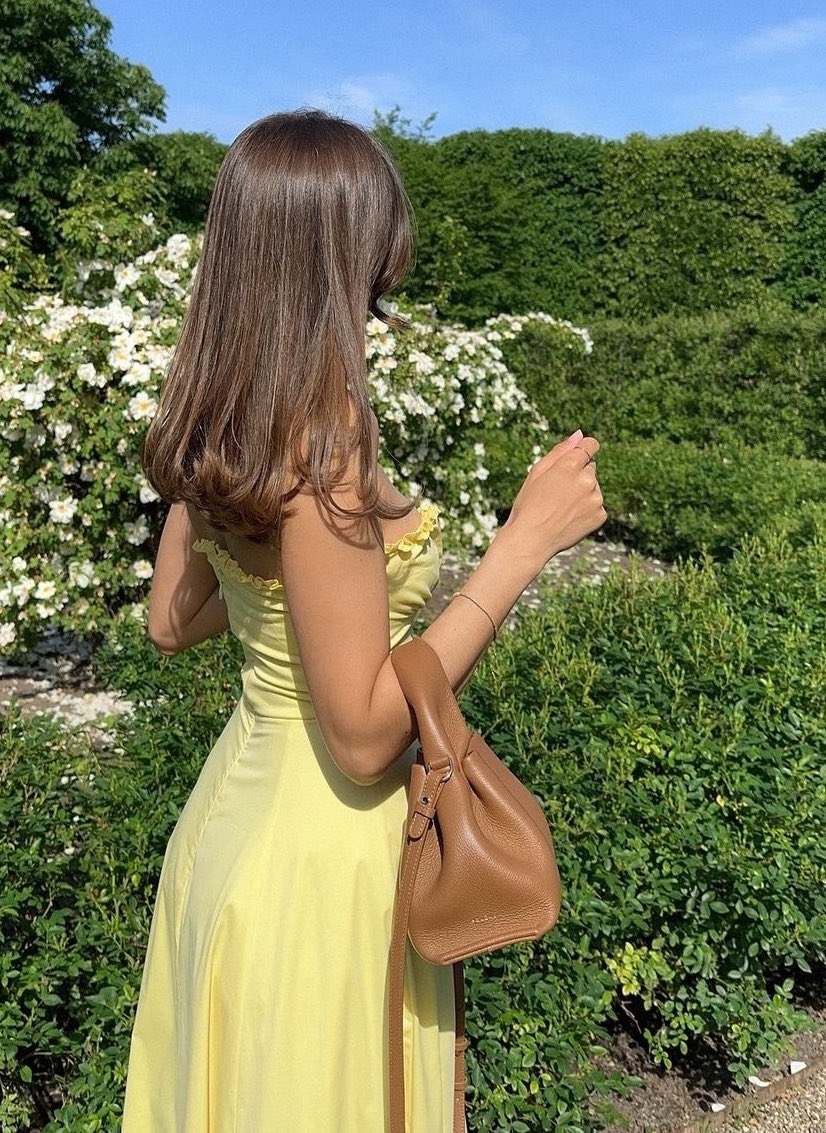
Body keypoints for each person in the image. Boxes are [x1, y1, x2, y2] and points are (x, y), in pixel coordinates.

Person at [121, 108, 605, 1133]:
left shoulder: (232, 422)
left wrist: (287, 593)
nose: (385, 286)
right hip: (317, 863)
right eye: (375, 258)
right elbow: (362, 734)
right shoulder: (321, 440)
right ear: (337, 256)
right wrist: (522, 546)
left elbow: (170, 620)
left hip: (228, 834)